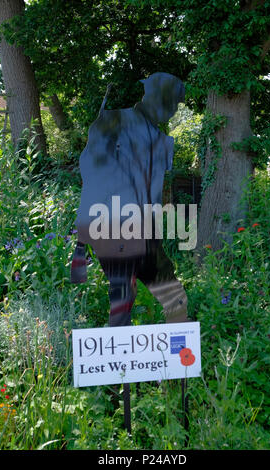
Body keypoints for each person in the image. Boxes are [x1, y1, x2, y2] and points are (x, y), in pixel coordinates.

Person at [71, 72, 188, 326]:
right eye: (172, 104)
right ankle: (117, 362)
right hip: (115, 226)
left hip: (145, 233)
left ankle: (179, 360)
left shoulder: (160, 139)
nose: (173, 112)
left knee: (175, 300)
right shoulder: (114, 120)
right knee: (122, 301)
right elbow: (91, 169)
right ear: (158, 98)